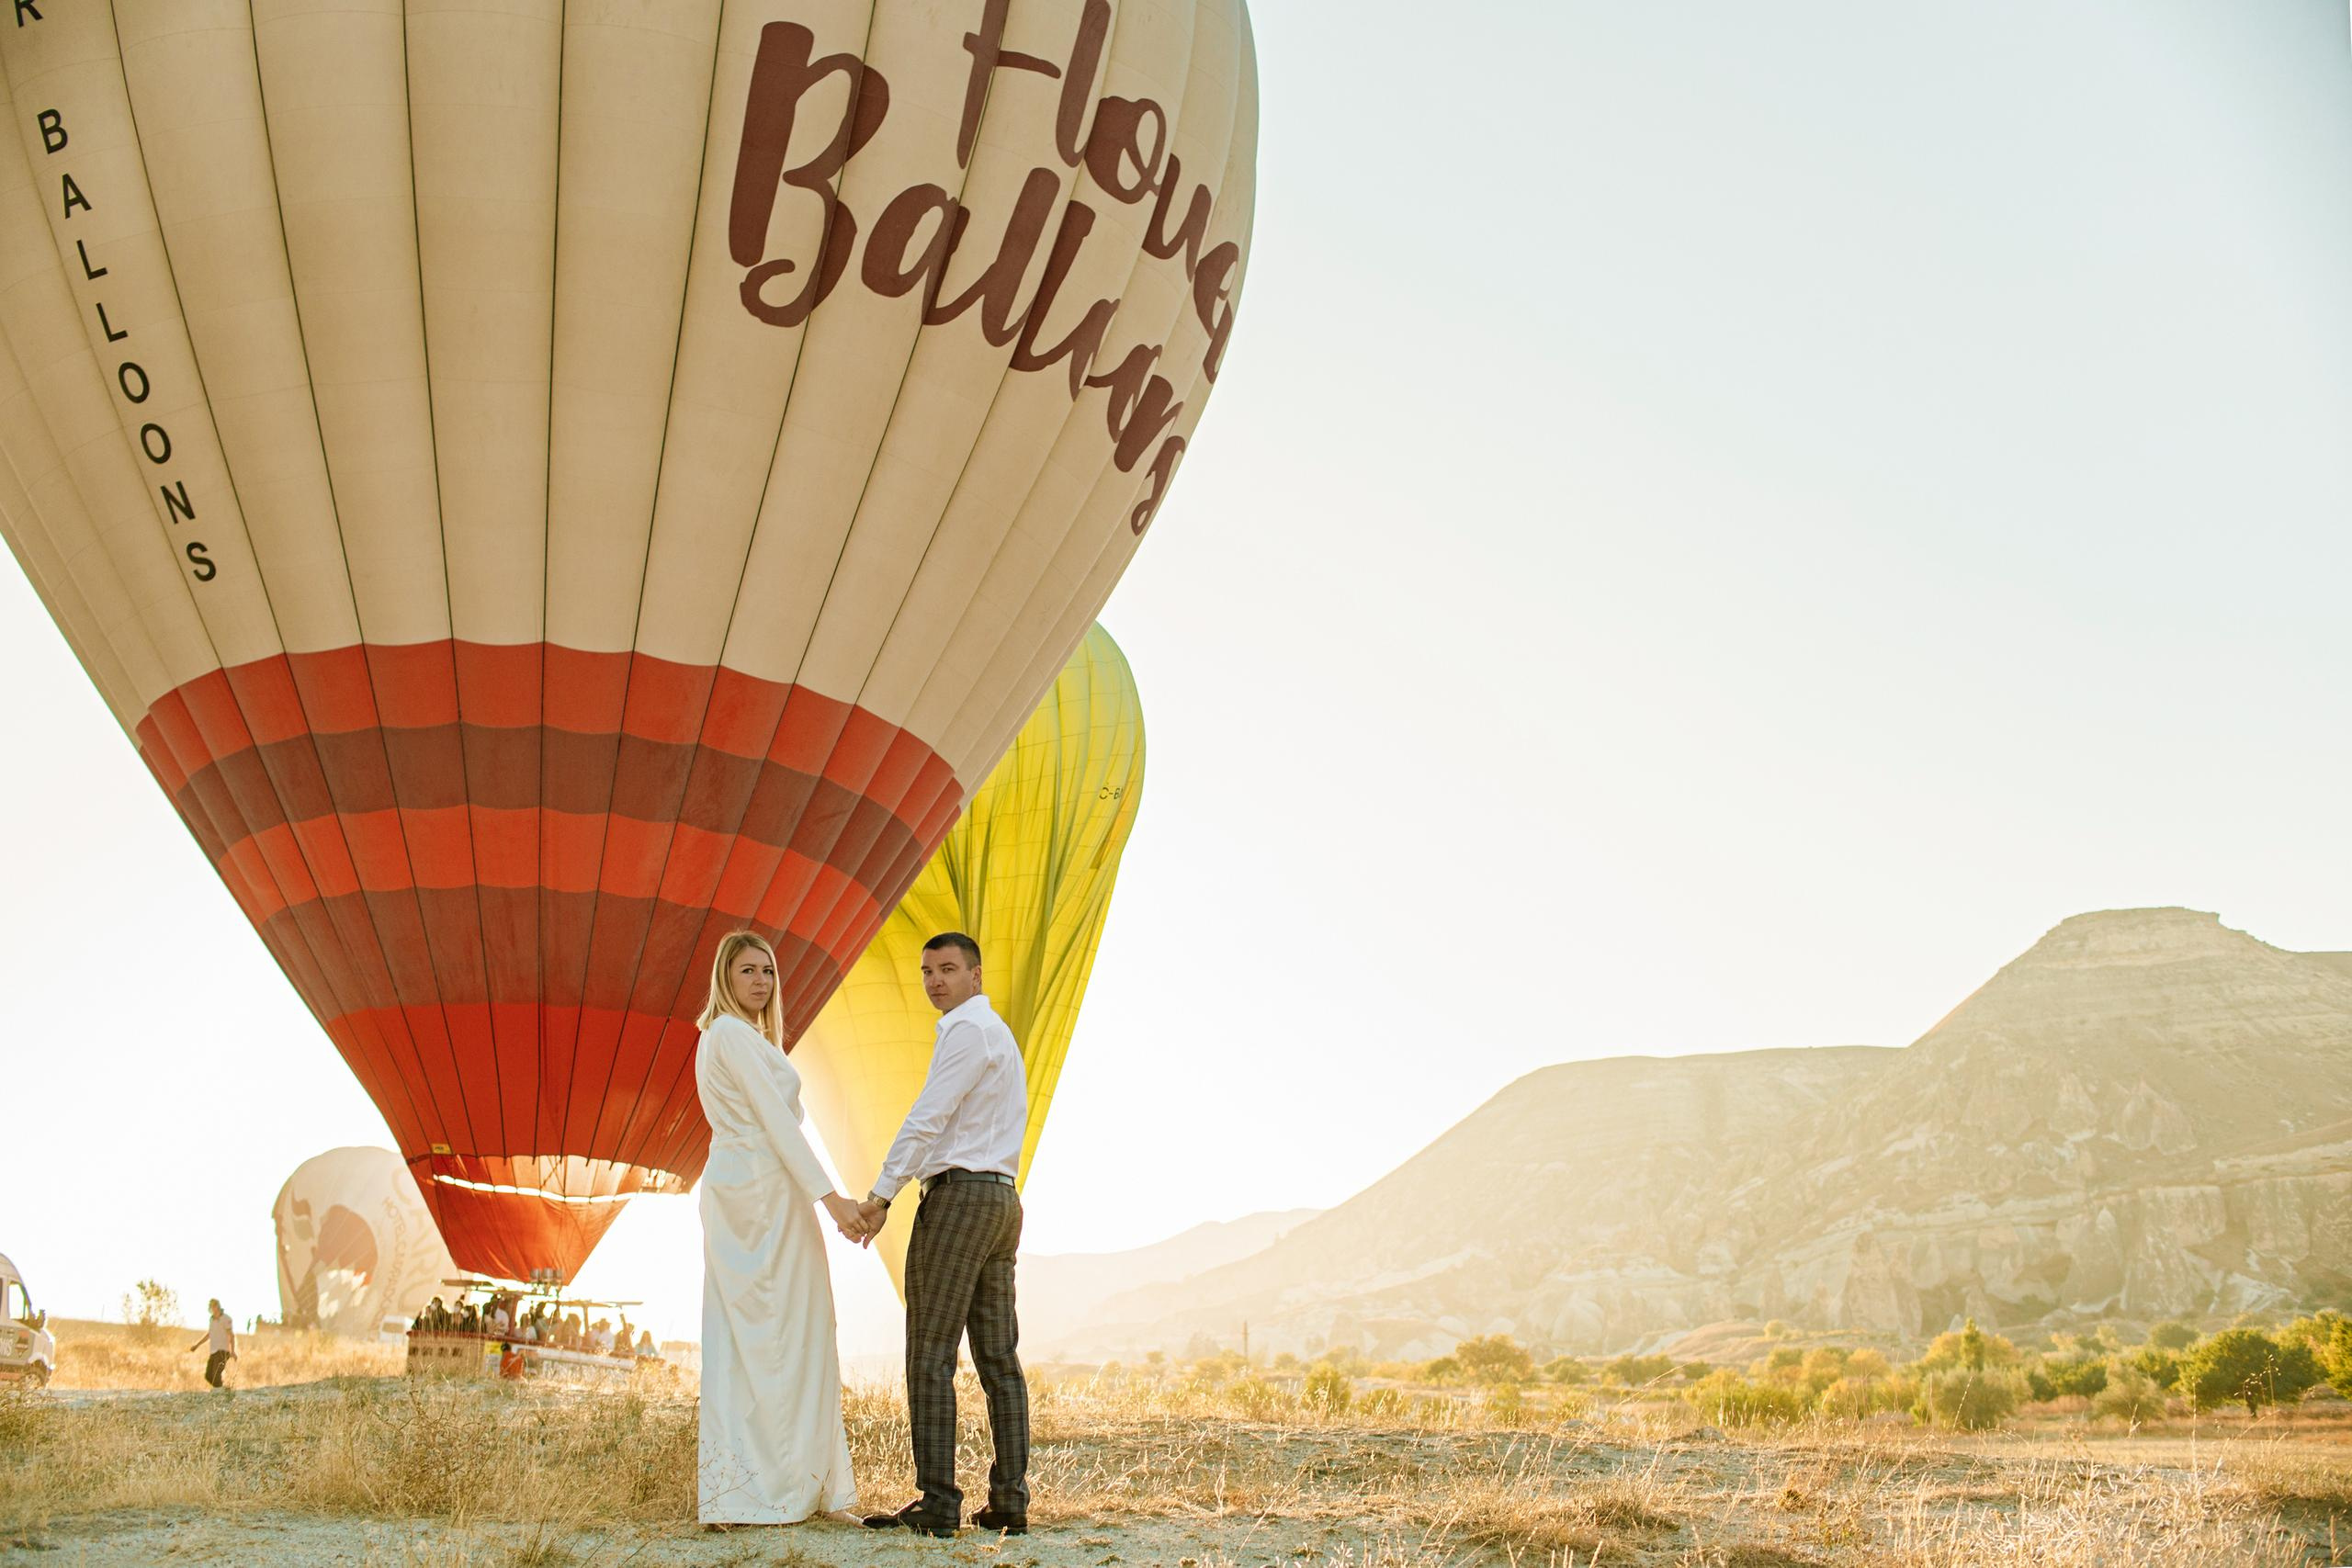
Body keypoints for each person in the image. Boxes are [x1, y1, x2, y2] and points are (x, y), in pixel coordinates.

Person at [859, 932, 1031, 1539]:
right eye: (927, 970)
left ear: (976, 975)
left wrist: (881, 1194)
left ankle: (938, 1503)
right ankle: (1009, 1500)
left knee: (929, 1356)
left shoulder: (965, 1031)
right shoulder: (1000, 1035)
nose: (935, 980)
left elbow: (927, 1118)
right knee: (999, 1360)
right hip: (1002, 1197)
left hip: (959, 1197)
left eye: (948, 969)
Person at [695, 929, 868, 1528]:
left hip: (747, 1187)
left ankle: (761, 1485)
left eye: (768, 971)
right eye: (748, 970)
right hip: (763, 1193)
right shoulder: (732, 1034)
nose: (762, 981)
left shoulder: (729, 1037)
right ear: (725, 977)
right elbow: (777, 1122)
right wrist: (834, 1200)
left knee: (757, 1338)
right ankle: (777, 1487)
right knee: (782, 1335)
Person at [187, 1299, 237, 1390]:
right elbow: (209, 1335)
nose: (213, 1308)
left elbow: (231, 1336)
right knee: (208, 1375)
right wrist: (197, 1345)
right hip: (213, 1351)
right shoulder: (212, 1320)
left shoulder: (226, 1319)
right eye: (211, 1306)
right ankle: (223, 1390)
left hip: (223, 1351)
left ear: (218, 1306)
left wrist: (233, 1351)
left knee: (215, 1375)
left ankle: (220, 1394)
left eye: (214, 1306)